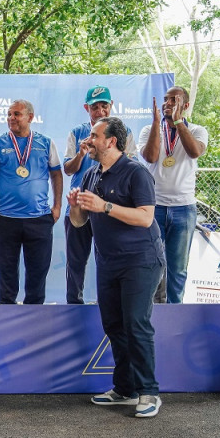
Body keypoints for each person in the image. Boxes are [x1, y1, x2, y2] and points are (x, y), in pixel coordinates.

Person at [69, 116, 165, 418]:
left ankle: (149, 391)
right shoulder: (91, 174)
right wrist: (76, 205)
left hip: (141, 260)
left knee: (136, 324)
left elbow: (146, 218)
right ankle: (125, 388)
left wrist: (105, 206)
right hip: (107, 261)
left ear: (111, 141)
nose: (89, 140)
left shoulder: (136, 172)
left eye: (95, 135)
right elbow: (79, 222)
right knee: (113, 325)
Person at [0, 100, 62, 304]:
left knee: (38, 272)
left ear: (30, 117)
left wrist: (57, 205)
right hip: (6, 219)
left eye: (16, 114)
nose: (11, 118)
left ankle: (34, 316)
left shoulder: (46, 142)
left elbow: (56, 174)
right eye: (9, 114)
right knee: (7, 272)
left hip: (39, 218)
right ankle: (7, 313)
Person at [63, 86, 136, 304]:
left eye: (104, 105)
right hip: (80, 204)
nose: (101, 111)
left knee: (110, 259)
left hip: (109, 206)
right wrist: (81, 153)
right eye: (95, 107)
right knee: (75, 261)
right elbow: (68, 169)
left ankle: (109, 304)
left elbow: (130, 165)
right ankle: (74, 306)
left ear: (111, 105)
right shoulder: (77, 133)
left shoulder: (125, 132)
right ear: (87, 109)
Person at [139, 86, 208, 304]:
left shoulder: (197, 130)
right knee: (151, 264)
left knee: (178, 269)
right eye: (166, 99)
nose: (167, 103)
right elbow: (150, 157)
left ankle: (175, 314)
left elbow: (195, 152)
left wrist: (178, 123)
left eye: (174, 100)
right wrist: (156, 125)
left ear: (185, 106)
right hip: (154, 207)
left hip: (184, 209)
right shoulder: (149, 130)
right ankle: (148, 316)